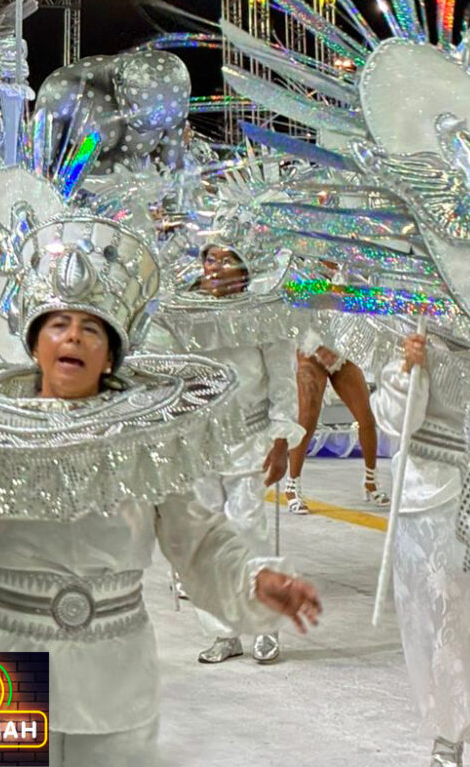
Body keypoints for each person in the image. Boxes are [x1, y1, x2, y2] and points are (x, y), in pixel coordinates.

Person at [0, 230, 322, 767]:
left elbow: (201, 542)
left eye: (91, 328)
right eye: (58, 324)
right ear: (34, 345)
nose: (72, 337)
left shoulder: (147, 440)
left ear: (111, 356)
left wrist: (254, 581)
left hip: (112, 669)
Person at [372, 321, 470, 766]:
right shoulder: (418, 323)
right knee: (443, 619)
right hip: (434, 496)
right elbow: (398, 421)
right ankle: (447, 736)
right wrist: (408, 371)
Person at [177, 243, 304, 666]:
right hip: (199, 441)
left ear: (246, 270)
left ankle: (265, 626)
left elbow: (284, 380)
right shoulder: (183, 309)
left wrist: (282, 440)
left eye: (226, 259)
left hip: (250, 439)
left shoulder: (265, 311)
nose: (215, 268)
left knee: (249, 532)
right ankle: (221, 632)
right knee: (206, 541)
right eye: (209, 259)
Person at [284, 331, 390, 512]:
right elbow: (294, 319)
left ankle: (370, 481)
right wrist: (316, 346)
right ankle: (292, 485)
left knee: (366, 417)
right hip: (309, 349)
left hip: (340, 347)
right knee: (307, 419)